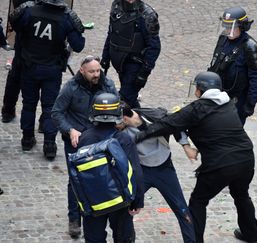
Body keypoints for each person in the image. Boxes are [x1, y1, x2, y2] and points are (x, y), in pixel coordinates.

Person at [135, 71, 257, 243]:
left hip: (219, 164)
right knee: (241, 195)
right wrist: (187, 144)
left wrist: (137, 136)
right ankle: (252, 235)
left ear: (200, 90)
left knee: (198, 201)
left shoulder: (197, 109)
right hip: (245, 158)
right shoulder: (228, 104)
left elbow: (167, 124)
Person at [51, 56, 118, 238]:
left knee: (105, 175)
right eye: (92, 72)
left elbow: (117, 108)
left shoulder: (108, 84)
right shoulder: (71, 87)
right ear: (82, 71)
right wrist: (69, 130)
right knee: (76, 180)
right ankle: (74, 218)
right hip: (77, 141)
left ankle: (102, 212)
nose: (96, 75)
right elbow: (56, 113)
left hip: (101, 140)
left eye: (98, 71)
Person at [9, 0, 85, 159]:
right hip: (52, 69)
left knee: (28, 104)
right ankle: (49, 144)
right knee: (50, 106)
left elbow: (15, 24)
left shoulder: (30, 11)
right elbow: (78, 45)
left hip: (29, 65)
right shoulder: (65, 17)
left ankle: (27, 138)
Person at [119, 104, 196, 243]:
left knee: (182, 209)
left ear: (124, 119)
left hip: (164, 169)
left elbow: (177, 124)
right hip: (142, 171)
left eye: (116, 123)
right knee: (126, 209)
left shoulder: (154, 116)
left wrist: (186, 146)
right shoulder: (121, 132)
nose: (113, 126)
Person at [77, 92, 145, 243]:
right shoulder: (123, 138)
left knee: (94, 239)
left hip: (93, 200)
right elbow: (135, 171)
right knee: (123, 238)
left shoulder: (85, 138)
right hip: (119, 199)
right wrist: (137, 201)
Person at [208, 6, 257, 125]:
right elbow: (216, 63)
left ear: (242, 26)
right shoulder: (223, 39)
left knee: (231, 135)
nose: (228, 30)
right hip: (218, 96)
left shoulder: (251, 47)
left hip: (236, 101)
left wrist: (250, 103)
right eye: (226, 26)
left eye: (232, 27)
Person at [101, 0, 161, 108]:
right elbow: (112, 33)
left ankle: (137, 123)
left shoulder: (147, 15)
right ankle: (140, 123)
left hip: (135, 67)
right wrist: (105, 56)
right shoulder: (116, 6)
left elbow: (154, 47)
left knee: (125, 101)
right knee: (130, 102)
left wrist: (144, 73)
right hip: (120, 64)